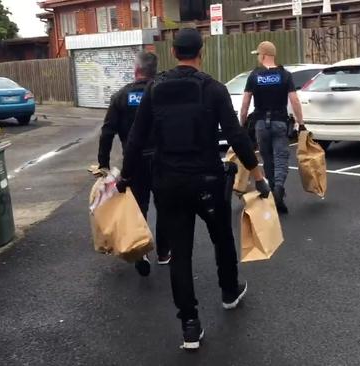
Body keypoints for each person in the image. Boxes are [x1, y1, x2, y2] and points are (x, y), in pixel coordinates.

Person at [118, 28, 271, 350]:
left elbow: (136, 137)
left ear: (173, 53)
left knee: (180, 252)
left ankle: (189, 325)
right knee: (221, 236)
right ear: (200, 52)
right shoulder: (212, 88)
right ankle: (229, 291)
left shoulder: (155, 89)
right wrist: (258, 175)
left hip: (168, 182)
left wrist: (125, 178)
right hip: (206, 180)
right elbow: (236, 134)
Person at [97, 51, 170, 277]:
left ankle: (141, 250)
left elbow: (107, 132)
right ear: (154, 70)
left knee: (138, 208)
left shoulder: (120, 96)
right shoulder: (163, 93)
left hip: (133, 162)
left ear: (136, 70)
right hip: (161, 159)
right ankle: (164, 253)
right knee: (165, 207)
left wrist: (104, 165)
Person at [239, 41, 306, 214]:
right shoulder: (285, 75)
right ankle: (279, 190)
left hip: (261, 124)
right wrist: (301, 123)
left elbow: (245, 103)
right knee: (281, 158)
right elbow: (294, 100)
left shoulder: (254, 76)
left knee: (267, 158)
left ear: (263, 55)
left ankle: (272, 193)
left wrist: (242, 123)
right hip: (280, 122)